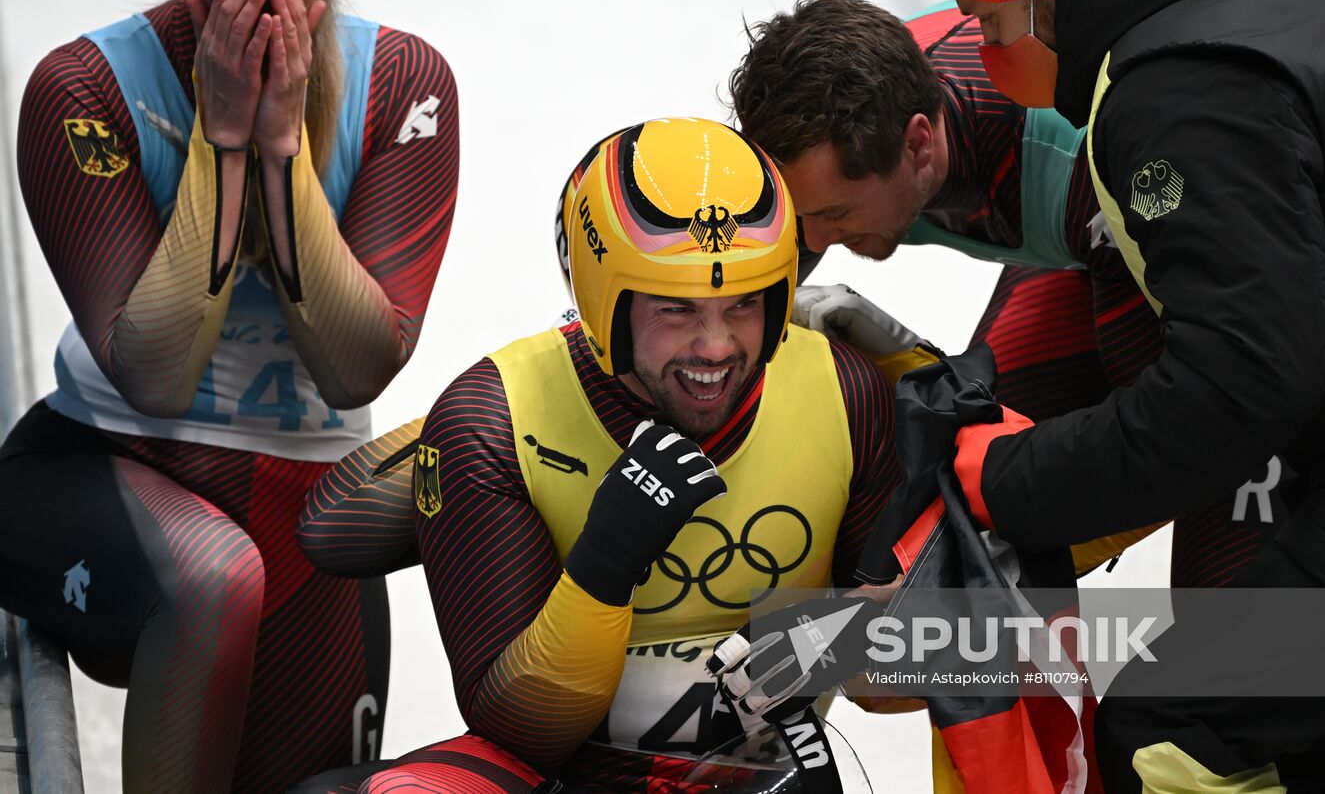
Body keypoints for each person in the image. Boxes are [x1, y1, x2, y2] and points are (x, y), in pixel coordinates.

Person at [925, 0, 1325, 788]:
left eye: (984, 19)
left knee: (1161, 731)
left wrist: (1010, 481)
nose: (979, 47)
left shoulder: (1177, 92)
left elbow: (1243, 381)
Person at [0, 0, 459, 788]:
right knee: (212, 575)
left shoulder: (404, 82)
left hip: (305, 506)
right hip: (109, 461)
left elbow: (355, 371)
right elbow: (157, 377)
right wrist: (222, 138)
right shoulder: (82, 88)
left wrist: (285, 150)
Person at [293, 117, 902, 792]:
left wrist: (974, 491)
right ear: (604, 300)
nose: (716, 346)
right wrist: (604, 564)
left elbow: (908, 678)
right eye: (676, 307)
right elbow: (521, 727)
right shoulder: (494, 420)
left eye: (744, 304)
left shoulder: (848, 391)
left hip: (773, 774)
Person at [729, 0, 1280, 588]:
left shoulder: (1076, 160)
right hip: (1092, 249)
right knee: (951, 482)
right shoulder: (859, 99)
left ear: (919, 145)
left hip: (1229, 273)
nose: (812, 239)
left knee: (1219, 614)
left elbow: (1172, 434)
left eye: (836, 214)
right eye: (795, 213)